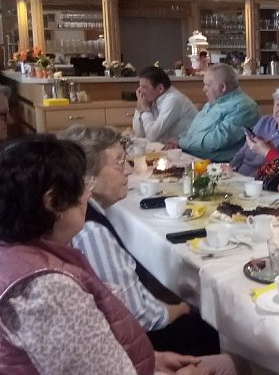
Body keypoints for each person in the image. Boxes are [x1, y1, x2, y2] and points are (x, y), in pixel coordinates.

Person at [0, 135, 236, 374]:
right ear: (53, 202)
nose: (87, 194)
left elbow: (86, 356)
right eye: (81, 185)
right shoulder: (47, 290)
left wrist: (150, 359)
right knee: (237, 363)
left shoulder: (7, 254)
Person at [58, 125, 220, 357]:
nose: (128, 169)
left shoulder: (84, 218)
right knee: (215, 329)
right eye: (118, 162)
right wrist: (183, 307)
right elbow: (141, 316)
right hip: (136, 346)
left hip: (119, 331)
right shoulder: (92, 231)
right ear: (88, 178)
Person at [170, 64, 259, 162]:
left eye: (207, 85)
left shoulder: (243, 107)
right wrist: (177, 140)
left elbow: (215, 141)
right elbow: (194, 130)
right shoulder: (213, 102)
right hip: (191, 157)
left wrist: (181, 142)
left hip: (217, 167)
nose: (204, 89)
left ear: (222, 87)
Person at [230, 83, 279, 177]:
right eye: (278, 104)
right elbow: (243, 151)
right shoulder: (265, 121)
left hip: (257, 181)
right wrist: (230, 168)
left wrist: (245, 180)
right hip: (238, 175)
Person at [132, 66, 198, 142]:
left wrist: (146, 110)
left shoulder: (173, 100)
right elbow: (139, 134)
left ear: (160, 88)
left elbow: (151, 136)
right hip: (170, 148)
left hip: (187, 150)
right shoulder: (154, 99)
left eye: (144, 87)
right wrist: (140, 108)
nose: (140, 92)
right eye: (140, 87)